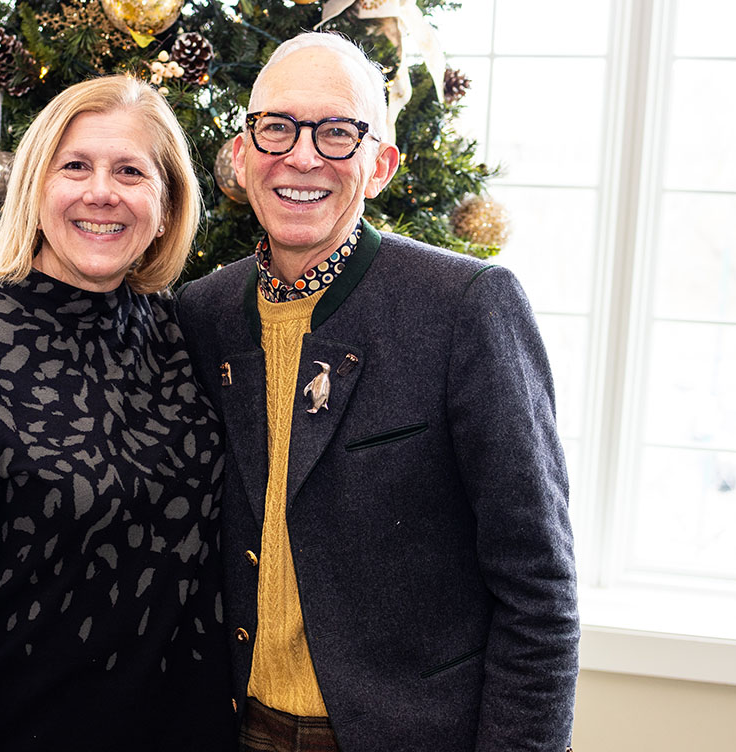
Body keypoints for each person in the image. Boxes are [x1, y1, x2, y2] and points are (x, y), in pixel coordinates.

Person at [176, 32, 579, 752]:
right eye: (276, 127)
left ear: (381, 165)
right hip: (235, 730)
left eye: (337, 133)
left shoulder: (464, 307)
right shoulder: (201, 314)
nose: (302, 156)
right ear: (241, 154)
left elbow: (537, 588)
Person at [0, 76, 234, 751]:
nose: (101, 191)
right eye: (75, 166)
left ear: (164, 206)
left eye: (130, 171)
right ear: (36, 189)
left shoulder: (181, 334)